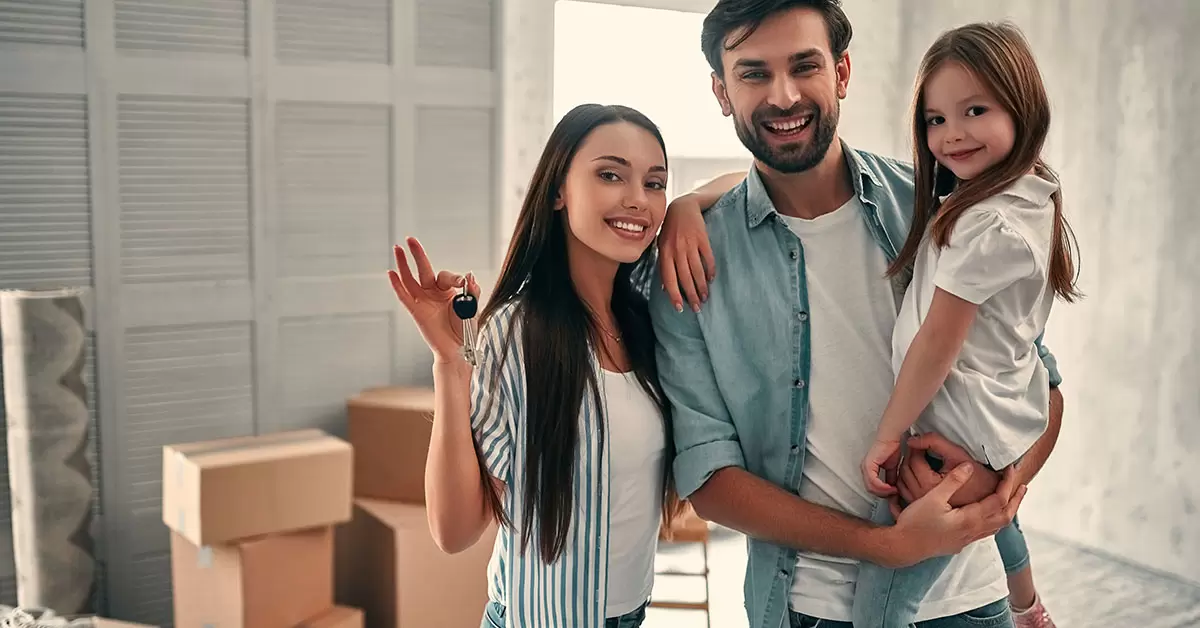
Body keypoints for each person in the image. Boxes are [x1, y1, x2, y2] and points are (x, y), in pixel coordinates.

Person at [647, 1, 1067, 628]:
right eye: (753, 73)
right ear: (721, 90)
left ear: (842, 72)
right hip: (809, 610)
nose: (783, 95)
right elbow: (708, 479)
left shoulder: (937, 208)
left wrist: (992, 486)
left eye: (805, 65)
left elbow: (1041, 386)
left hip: (973, 600)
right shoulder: (690, 261)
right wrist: (884, 546)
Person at [388, 103, 681, 628]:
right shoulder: (514, 334)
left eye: (655, 183)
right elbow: (453, 531)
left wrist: (688, 208)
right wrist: (450, 363)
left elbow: (742, 186)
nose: (638, 199)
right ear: (557, 191)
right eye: (610, 174)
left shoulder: (649, 317)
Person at [851, 21, 1078, 628]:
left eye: (974, 110)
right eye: (935, 119)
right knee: (995, 518)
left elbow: (937, 344)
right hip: (989, 416)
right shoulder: (1022, 198)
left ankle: (1024, 606)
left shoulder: (988, 227)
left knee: (889, 581)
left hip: (961, 415)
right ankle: (1029, 604)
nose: (951, 135)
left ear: (1022, 106)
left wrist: (887, 436)